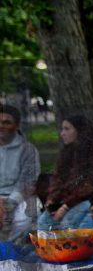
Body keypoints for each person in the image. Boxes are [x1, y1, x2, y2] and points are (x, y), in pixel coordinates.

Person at [38, 115, 93, 231]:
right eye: (62, 129)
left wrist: (66, 206)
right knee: (43, 221)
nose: (62, 134)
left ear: (80, 131)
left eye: (67, 129)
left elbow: (90, 186)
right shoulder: (67, 153)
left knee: (66, 224)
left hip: (88, 201)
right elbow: (57, 179)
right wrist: (52, 199)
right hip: (66, 200)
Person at [0, 104, 40, 243]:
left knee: (24, 220)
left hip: (19, 200)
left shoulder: (28, 150)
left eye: (7, 122)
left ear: (17, 126)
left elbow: (27, 182)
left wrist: (8, 204)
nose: (1, 126)